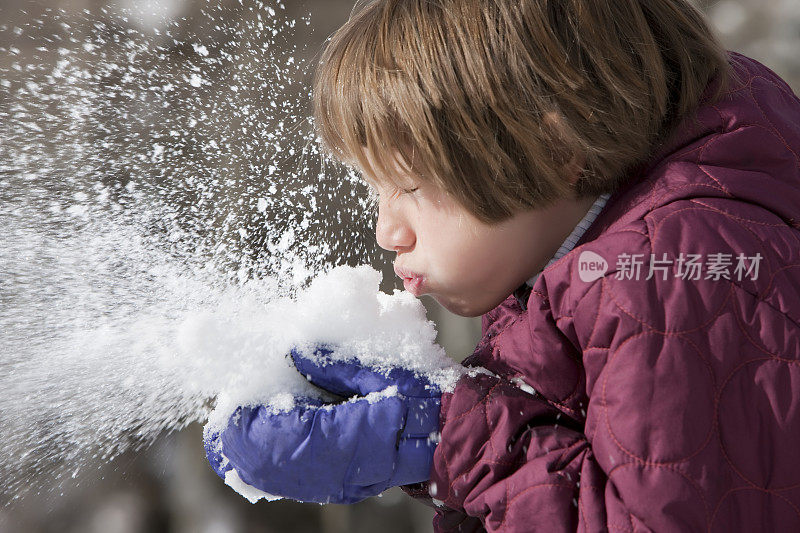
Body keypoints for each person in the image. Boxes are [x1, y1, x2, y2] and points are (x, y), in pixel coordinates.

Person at [206, 1, 800, 530]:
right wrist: (445, 412)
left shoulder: (666, 276)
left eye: (410, 183)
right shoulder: (581, 256)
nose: (388, 229)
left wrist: (445, 436)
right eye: (375, 189)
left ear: (557, 149)